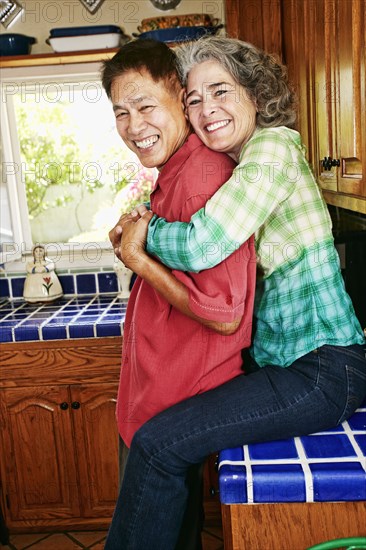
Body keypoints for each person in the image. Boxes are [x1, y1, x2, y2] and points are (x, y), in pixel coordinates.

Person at [107, 36, 366, 549]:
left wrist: (138, 233)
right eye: (195, 99)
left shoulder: (273, 146)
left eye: (221, 91)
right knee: (167, 442)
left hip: (324, 370)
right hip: (292, 368)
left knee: (159, 445)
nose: (207, 110)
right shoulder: (238, 165)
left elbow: (206, 242)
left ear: (255, 93)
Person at [101, 38, 256, 549]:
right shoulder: (174, 176)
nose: (133, 126)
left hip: (171, 405)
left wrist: (139, 259)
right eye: (121, 112)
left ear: (180, 97)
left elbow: (224, 312)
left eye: (145, 106)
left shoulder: (200, 176)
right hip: (158, 398)